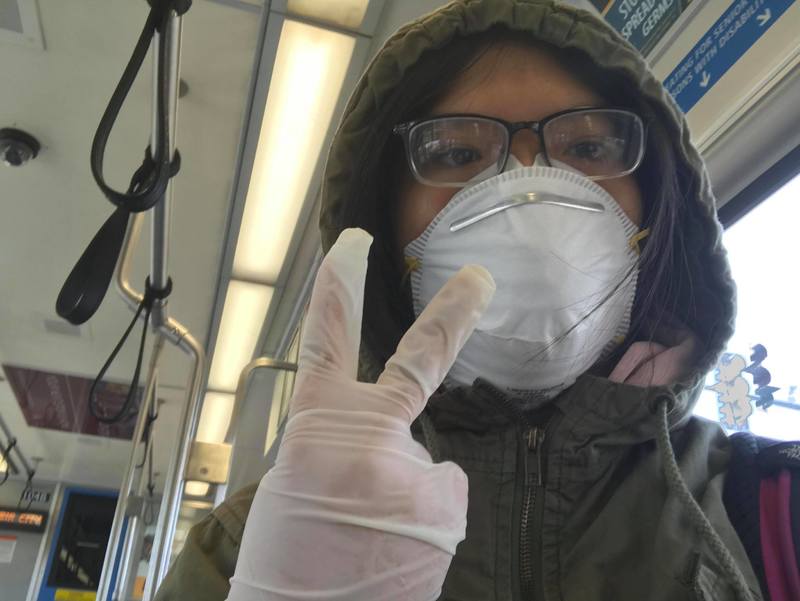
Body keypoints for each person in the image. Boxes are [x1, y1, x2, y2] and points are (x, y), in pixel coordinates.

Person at [154, 1, 791, 599]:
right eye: (458, 153)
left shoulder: (770, 514)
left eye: (589, 149)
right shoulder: (251, 545)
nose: (526, 195)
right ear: (386, 226)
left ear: (654, 208)